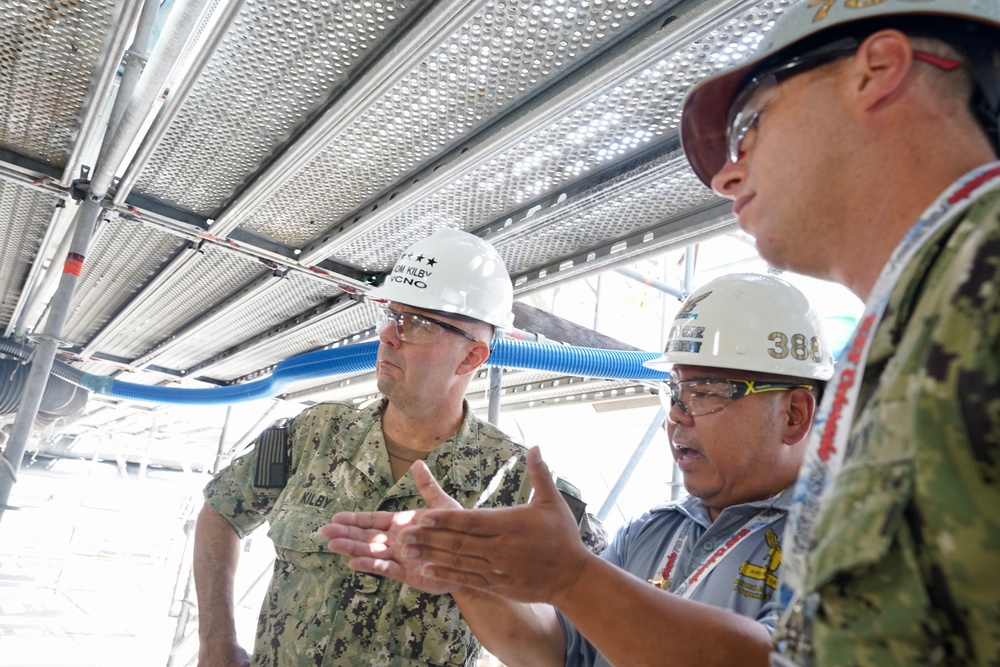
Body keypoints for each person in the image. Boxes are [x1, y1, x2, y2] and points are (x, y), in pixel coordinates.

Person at [681, 0, 1000, 664]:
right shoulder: (917, 318)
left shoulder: (982, 277)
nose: (727, 174)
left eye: (751, 125)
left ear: (876, 69)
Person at [323, 272, 834, 667]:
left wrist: (571, 577)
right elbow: (558, 651)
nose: (677, 413)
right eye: (675, 391)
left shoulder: (842, 543)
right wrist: (466, 575)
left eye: (704, 392)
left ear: (793, 415)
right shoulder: (652, 533)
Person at [192, 226, 604, 667]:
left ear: (471, 357)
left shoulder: (517, 485)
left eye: (419, 323)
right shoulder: (312, 434)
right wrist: (216, 641)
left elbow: (591, 619)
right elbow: (221, 511)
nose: (390, 335)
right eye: (392, 315)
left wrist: (472, 579)